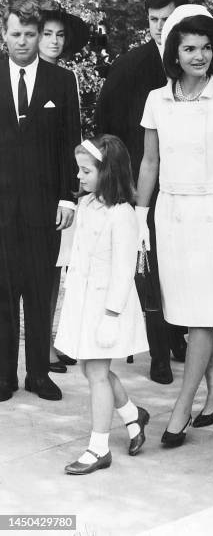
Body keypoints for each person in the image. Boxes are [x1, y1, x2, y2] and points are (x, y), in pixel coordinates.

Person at [136, 10, 213, 447]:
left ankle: (181, 407)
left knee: (204, 316)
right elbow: (150, 162)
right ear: (175, 54)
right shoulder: (156, 100)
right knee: (187, 312)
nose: (199, 56)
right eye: (189, 48)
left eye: (206, 47)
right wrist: (138, 217)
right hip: (171, 214)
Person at [95, 0, 189, 384]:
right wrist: (117, 184)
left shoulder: (196, 62)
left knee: (179, 264)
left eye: (167, 20)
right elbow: (105, 127)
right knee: (146, 266)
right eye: (152, 20)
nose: (158, 27)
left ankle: (177, 335)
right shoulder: (130, 65)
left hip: (187, 184)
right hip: (141, 185)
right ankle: (158, 355)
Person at [0, 0, 80, 402]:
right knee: (1, 290)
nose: (23, 42)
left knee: (39, 289)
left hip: (45, 206)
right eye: (16, 34)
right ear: (5, 33)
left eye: (31, 34)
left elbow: (71, 142)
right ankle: (3, 376)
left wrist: (69, 198)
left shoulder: (61, 81)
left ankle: (37, 373)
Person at [55, 135, 150, 475]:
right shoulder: (88, 204)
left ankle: (98, 448)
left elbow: (124, 270)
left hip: (107, 305)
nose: (78, 177)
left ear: (107, 172)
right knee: (90, 368)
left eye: (85, 171)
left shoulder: (123, 214)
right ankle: (131, 415)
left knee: (96, 372)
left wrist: (111, 315)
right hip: (84, 300)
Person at [38, 0, 90, 374]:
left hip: (55, 183)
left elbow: (73, 134)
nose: (53, 41)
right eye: (46, 34)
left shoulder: (66, 78)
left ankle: (47, 342)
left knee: (55, 265)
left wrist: (72, 190)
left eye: (59, 35)